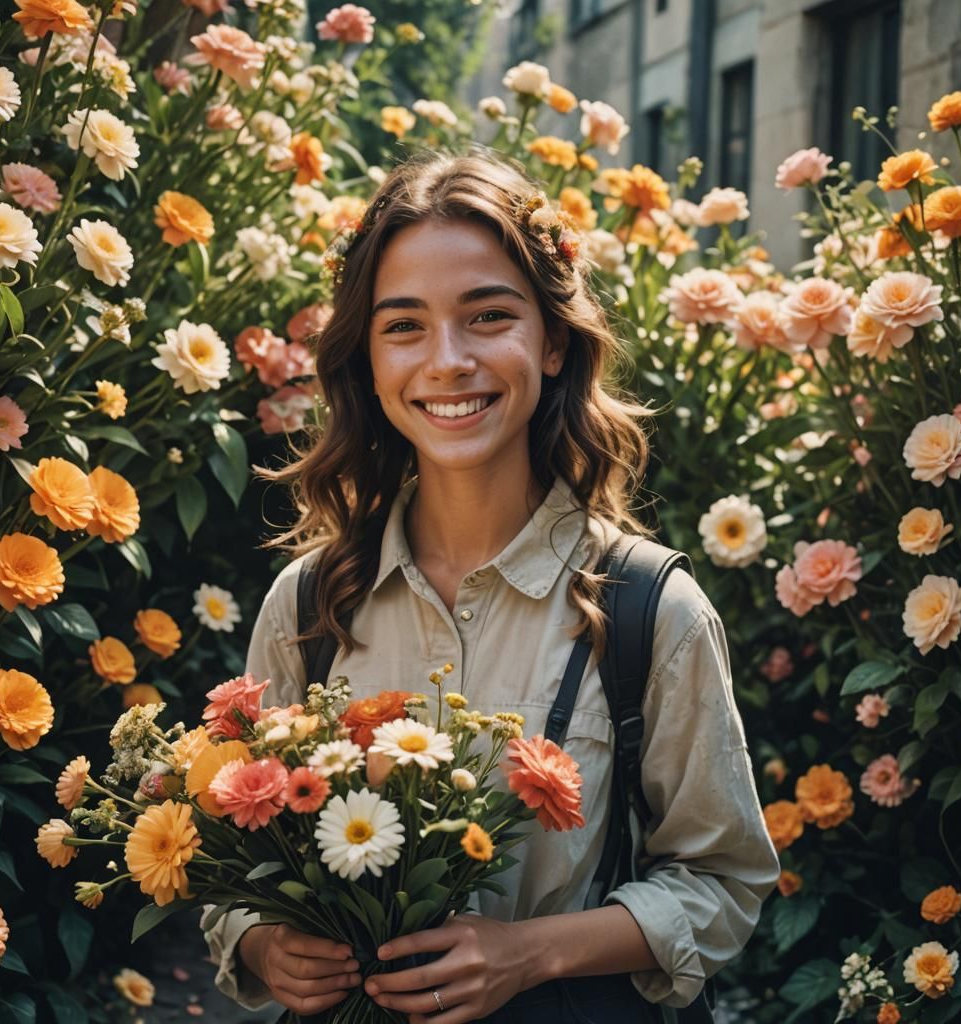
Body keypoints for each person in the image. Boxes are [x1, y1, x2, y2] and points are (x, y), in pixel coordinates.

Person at [204, 148, 779, 1023]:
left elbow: (725, 881)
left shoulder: (649, 611)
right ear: (366, 356)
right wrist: (262, 941)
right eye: (403, 325)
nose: (447, 360)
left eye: (487, 316)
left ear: (552, 341)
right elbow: (235, 860)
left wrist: (530, 954)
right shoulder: (309, 603)